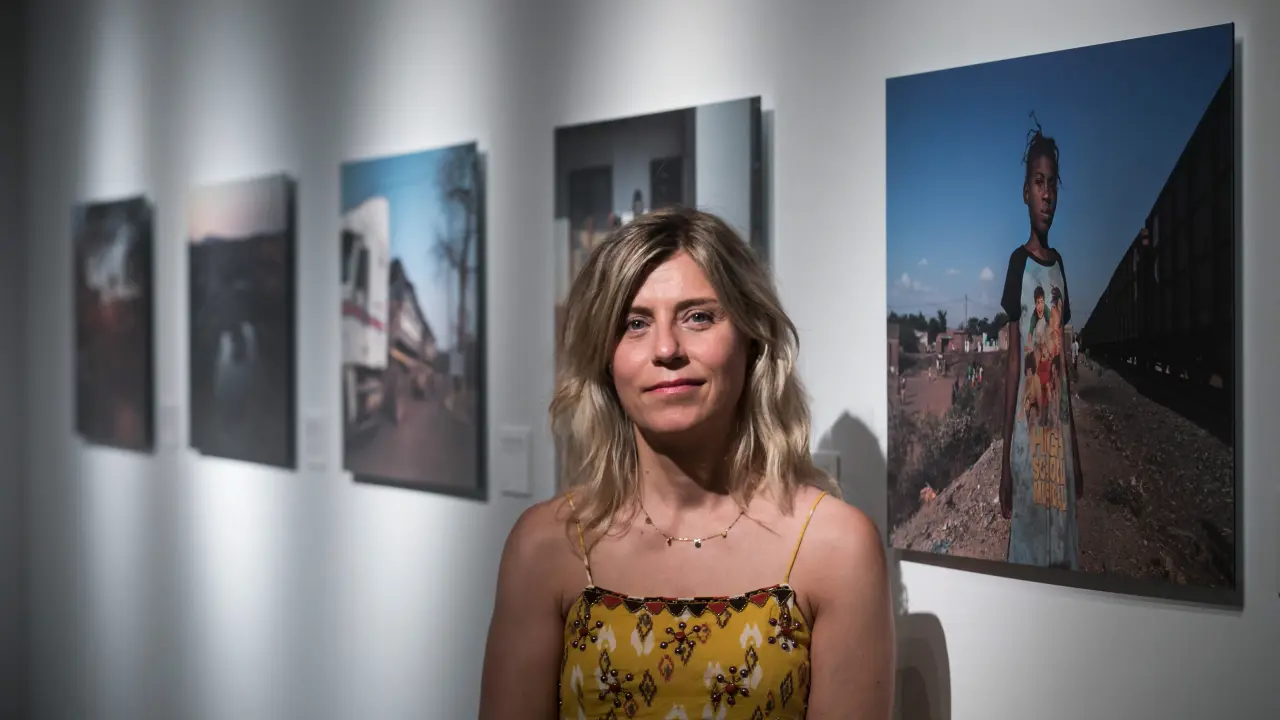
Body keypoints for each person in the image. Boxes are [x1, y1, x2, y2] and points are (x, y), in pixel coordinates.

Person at [478, 207, 895, 719]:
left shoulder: (834, 549)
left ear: (752, 338)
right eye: (634, 323)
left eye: (698, 316)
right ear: (605, 360)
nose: (666, 348)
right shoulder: (547, 546)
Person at [999, 114, 1085, 571]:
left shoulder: (1061, 267)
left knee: (1062, 550)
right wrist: (1004, 465)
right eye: (1038, 182)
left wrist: (1076, 454)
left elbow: (1064, 365)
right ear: (1025, 193)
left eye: (1052, 183)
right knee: (1030, 551)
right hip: (1028, 441)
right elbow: (1015, 364)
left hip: (1060, 439)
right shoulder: (1018, 264)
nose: (1047, 193)